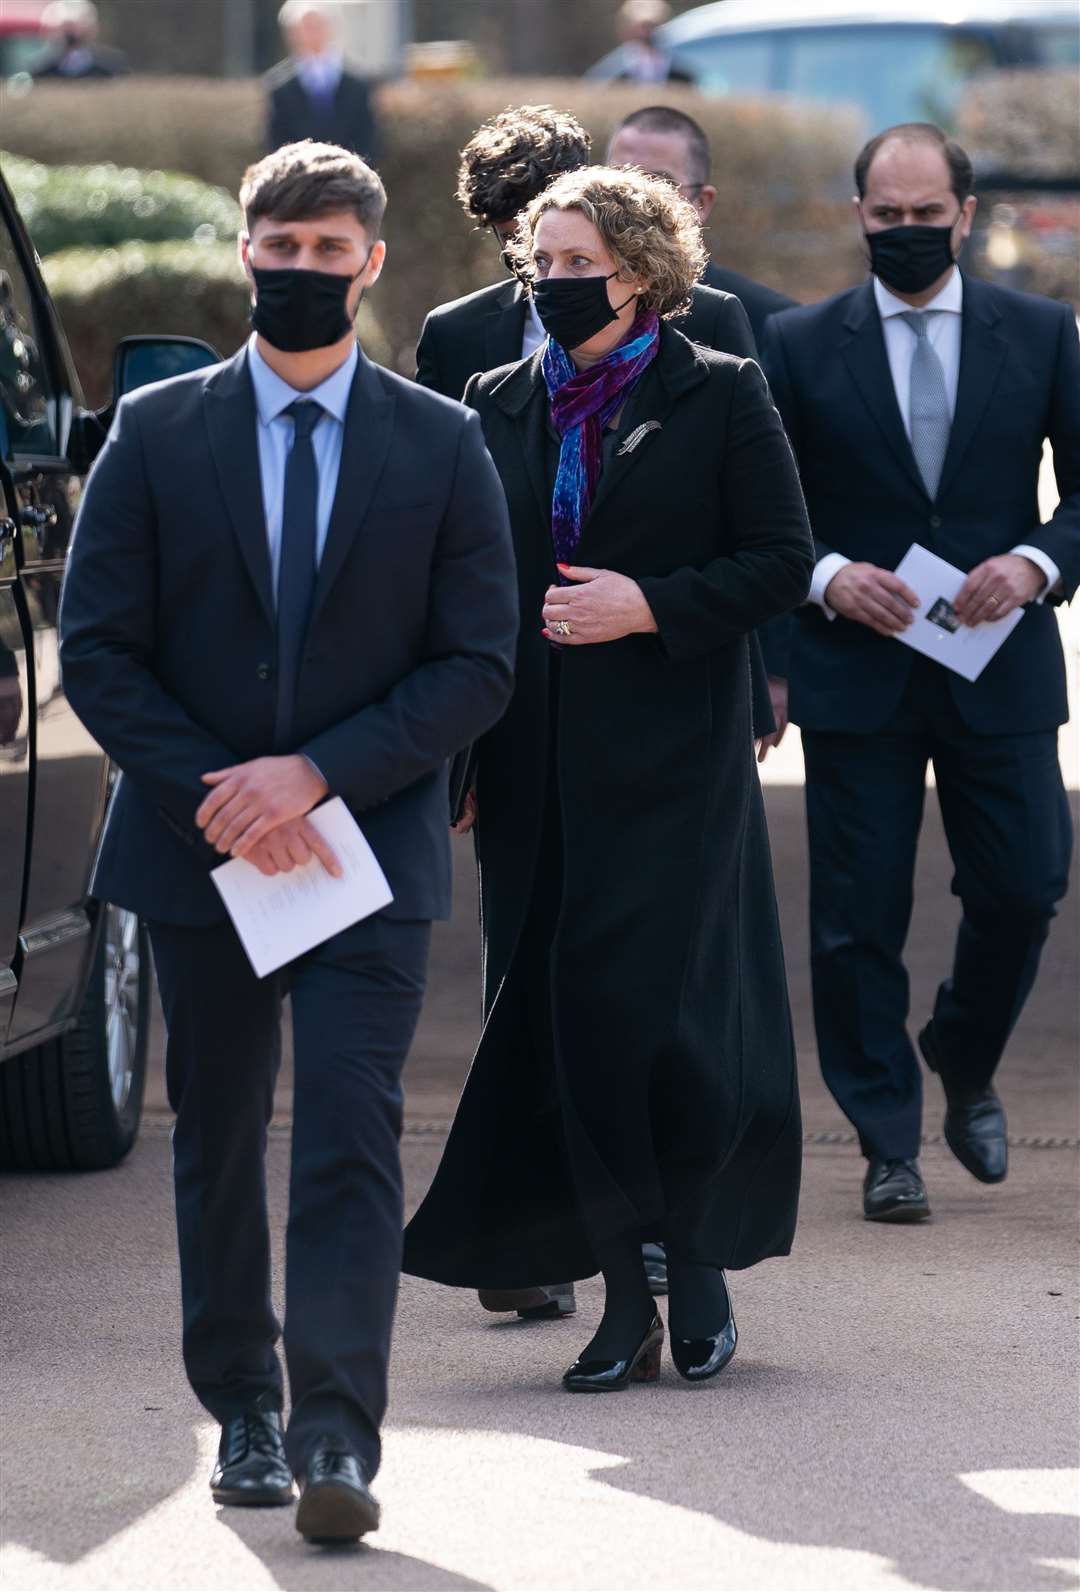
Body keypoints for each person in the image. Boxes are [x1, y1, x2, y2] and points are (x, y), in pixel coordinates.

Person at [59, 141, 516, 1541]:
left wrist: (313, 775)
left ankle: (336, 1432)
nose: (302, 270)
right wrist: (228, 791)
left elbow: (479, 661)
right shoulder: (160, 429)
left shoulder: (439, 442)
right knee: (214, 1136)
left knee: (350, 1136)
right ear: (244, 252)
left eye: (330, 252)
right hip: (204, 854)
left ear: (372, 263)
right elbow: (100, 648)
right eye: (281, 245)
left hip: (364, 855)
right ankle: (242, 1406)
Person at [403, 165, 815, 1392]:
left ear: (639, 273)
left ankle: (695, 1264)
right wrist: (461, 752)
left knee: (669, 1020)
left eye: (579, 261)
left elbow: (782, 562)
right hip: (534, 766)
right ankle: (621, 1286)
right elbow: (459, 587)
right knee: (570, 1024)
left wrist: (651, 607)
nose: (555, 280)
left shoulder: (722, 391)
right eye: (542, 259)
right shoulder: (492, 398)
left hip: (678, 763)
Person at [760, 123, 1079, 1224]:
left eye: (924, 214)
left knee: (1027, 884)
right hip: (860, 667)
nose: (905, 231)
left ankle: (962, 1048)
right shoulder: (799, 344)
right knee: (855, 917)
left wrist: (1036, 561)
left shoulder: (1043, 334)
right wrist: (829, 575)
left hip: (1000, 664)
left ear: (966, 212)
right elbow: (761, 511)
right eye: (884, 216)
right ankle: (887, 1138)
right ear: (859, 217)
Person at [607, 105, 797, 349]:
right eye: (618, 181)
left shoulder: (769, 325)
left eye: (659, 183)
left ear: (701, 203)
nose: (634, 199)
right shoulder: (563, 300)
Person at [266, 0, 378, 164]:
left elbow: (367, 136)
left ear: (332, 28)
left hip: (349, 178)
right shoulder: (279, 85)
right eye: (306, 27)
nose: (313, 33)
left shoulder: (358, 82)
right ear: (292, 33)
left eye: (318, 25)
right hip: (298, 179)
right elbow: (276, 141)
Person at [31, 0, 128, 80]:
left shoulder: (111, 66)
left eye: (73, 27)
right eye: (65, 27)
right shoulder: (41, 70)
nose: (69, 33)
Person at [608, 0, 693, 86]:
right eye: (643, 27)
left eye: (652, 26)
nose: (646, 33)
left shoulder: (682, 77)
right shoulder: (616, 77)